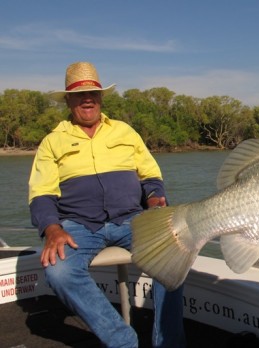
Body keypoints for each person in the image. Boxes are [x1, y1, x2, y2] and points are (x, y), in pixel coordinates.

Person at [28, 62, 186, 348]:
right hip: (79, 225)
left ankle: (168, 342)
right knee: (59, 272)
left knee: (173, 259)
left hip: (131, 220)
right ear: (68, 100)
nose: (87, 99)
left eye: (93, 93)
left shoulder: (125, 132)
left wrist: (154, 198)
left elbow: (150, 175)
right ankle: (123, 341)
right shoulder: (53, 141)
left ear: (101, 98)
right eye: (79, 95)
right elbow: (41, 193)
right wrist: (51, 228)